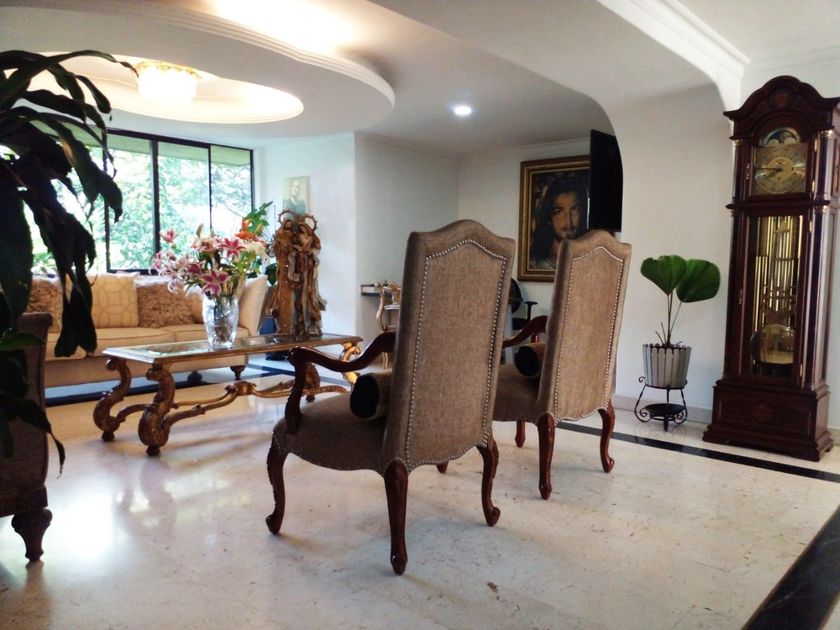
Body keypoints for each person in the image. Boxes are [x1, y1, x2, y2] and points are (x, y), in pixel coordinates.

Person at [529, 176, 588, 269]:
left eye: (575, 210)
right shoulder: (535, 263)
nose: (568, 222)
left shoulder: (591, 260)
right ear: (548, 218)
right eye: (559, 212)